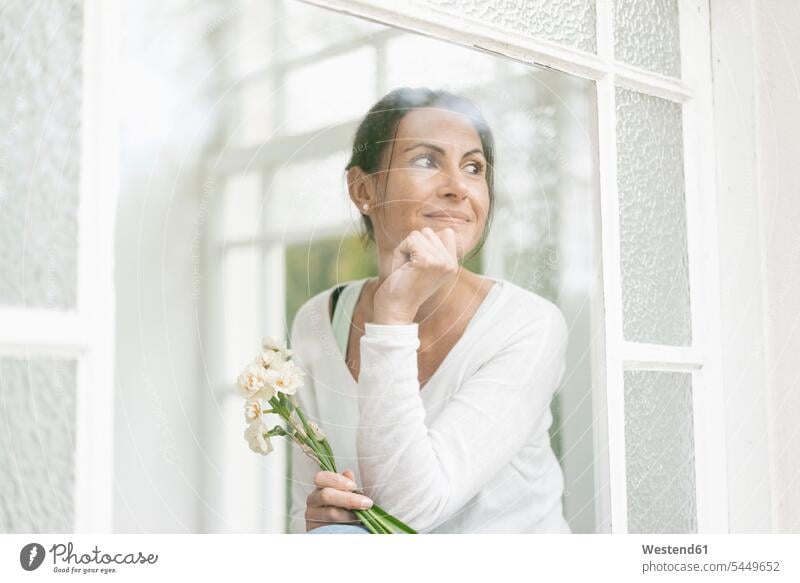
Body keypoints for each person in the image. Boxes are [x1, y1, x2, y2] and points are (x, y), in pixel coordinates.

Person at [288, 87, 570, 534]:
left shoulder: (528, 325)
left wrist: (393, 314)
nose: (458, 188)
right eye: (426, 160)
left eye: (473, 167)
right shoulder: (316, 323)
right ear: (363, 189)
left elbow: (407, 512)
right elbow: (309, 508)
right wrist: (322, 516)